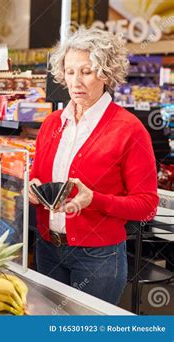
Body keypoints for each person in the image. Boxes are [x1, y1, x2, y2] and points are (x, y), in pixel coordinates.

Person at [29, 28, 159, 305]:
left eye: (86, 71)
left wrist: (94, 200)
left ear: (106, 73)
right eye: (70, 71)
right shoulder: (52, 123)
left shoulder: (129, 129)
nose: (75, 81)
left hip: (98, 257)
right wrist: (31, 188)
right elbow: (37, 176)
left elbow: (147, 205)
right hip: (47, 247)